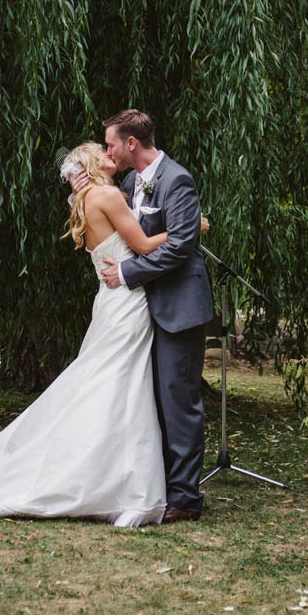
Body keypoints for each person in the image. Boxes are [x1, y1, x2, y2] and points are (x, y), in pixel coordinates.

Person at [0, 142, 169, 527]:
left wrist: (72, 181)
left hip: (110, 302)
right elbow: (145, 245)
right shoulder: (109, 195)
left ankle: (115, 484)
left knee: (112, 385)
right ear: (89, 163)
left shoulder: (82, 200)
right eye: (100, 149)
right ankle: (126, 488)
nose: (107, 152)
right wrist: (187, 229)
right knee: (123, 386)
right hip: (127, 303)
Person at [99, 109, 214, 523]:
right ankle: (162, 485)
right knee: (153, 401)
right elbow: (128, 231)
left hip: (180, 308)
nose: (108, 150)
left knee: (178, 401)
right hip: (146, 311)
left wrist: (127, 273)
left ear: (132, 144)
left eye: (112, 143)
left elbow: (181, 246)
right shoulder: (130, 182)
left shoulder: (177, 179)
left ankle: (185, 499)